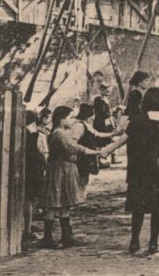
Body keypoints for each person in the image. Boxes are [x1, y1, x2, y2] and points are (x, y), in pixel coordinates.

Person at [101, 88, 159, 255]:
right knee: (158, 209)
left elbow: (122, 140)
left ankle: (134, 242)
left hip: (140, 171)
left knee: (138, 208)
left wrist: (106, 151)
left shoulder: (137, 120)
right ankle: (153, 243)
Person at [41, 106, 101, 249]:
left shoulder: (63, 132)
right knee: (53, 203)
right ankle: (47, 238)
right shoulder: (59, 133)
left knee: (65, 203)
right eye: (70, 117)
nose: (73, 120)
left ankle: (66, 236)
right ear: (61, 119)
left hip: (67, 169)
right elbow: (72, 147)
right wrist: (93, 152)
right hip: (59, 170)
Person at [24, 110, 47, 244]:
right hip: (33, 171)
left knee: (26, 200)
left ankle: (26, 227)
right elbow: (42, 154)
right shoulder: (36, 135)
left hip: (24, 170)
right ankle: (27, 230)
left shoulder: (19, 133)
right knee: (29, 199)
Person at [92, 81, 116, 165]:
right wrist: (113, 111)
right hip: (101, 123)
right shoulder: (98, 99)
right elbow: (103, 112)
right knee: (100, 141)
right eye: (107, 90)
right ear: (102, 89)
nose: (109, 92)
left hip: (106, 122)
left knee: (110, 139)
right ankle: (98, 161)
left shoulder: (105, 99)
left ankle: (113, 158)